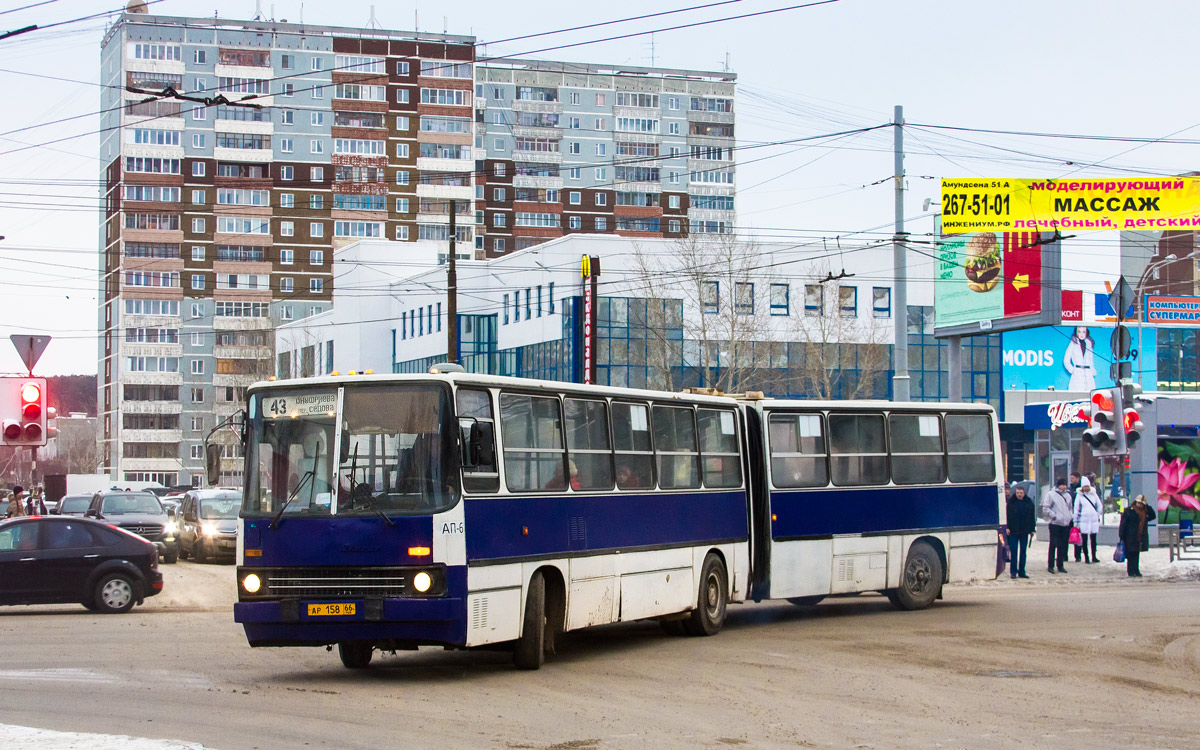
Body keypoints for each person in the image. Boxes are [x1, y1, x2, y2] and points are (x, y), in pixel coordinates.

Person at [1118, 494, 1157, 577]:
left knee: (1136, 554)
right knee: (1130, 554)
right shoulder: (1128, 511)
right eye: (1138, 503)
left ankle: (1136, 570)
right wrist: (1121, 536)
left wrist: (1147, 506)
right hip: (1129, 536)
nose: (1139, 505)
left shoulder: (1144, 512)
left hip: (1139, 536)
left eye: (1141, 503)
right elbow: (1123, 524)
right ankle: (1131, 571)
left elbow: (1153, 516)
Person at [1042, 477, 1073, 574]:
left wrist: (1070, 517)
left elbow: (1070, 508)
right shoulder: (1051, 494)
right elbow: (1046, 508)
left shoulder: (1068, 496)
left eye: (1065, 484)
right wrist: (1053, 516)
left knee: (1062, 545)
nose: (1063, 486)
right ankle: (1050, 565)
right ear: (1058, 485)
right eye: (1062, 484)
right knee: (1053, 544)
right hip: (1055, 523)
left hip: (1065, 524)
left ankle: (1060, 565)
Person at [1006, 485, 1036, 579]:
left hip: (1024, 531)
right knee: (1014, 552)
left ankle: (1022, 571)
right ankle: (1013, 572)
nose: (1019, 495)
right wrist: (1007, 527)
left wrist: (1032, 529)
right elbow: (1007, 516)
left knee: (1023, 552)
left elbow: (1032, 517)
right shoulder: (1011, 502)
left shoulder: (1029, 502)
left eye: (1021, 493)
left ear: (1024, 493)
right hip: (1013, 531)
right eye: (1018, 493)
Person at [1073, 476, 1102, 563]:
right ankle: (1086, 557)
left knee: (1093, 540)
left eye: (1087, 486)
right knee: (1084, 540)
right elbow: (1076, 508)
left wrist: (1097, 514)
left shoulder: (1094, 495)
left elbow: (1099, 506)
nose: (1086, 488)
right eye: (1084, 486)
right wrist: (1076, 520)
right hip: (1083, 521)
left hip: (1093, 520)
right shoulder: (1079, 496)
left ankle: (1094, 556)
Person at [1063, 326, 1096, 391]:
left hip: (1088, 374)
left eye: (1083, 332)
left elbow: (1090, 359)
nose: (1081, 334)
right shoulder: (1073, 343)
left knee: (1090, 393)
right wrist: (1072, 370)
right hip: (1077, 373)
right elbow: (1066, 360)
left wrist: (1092, 369)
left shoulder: (1089, 344)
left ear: (1086, 333)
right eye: (1079, 332)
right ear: (1076, 332)